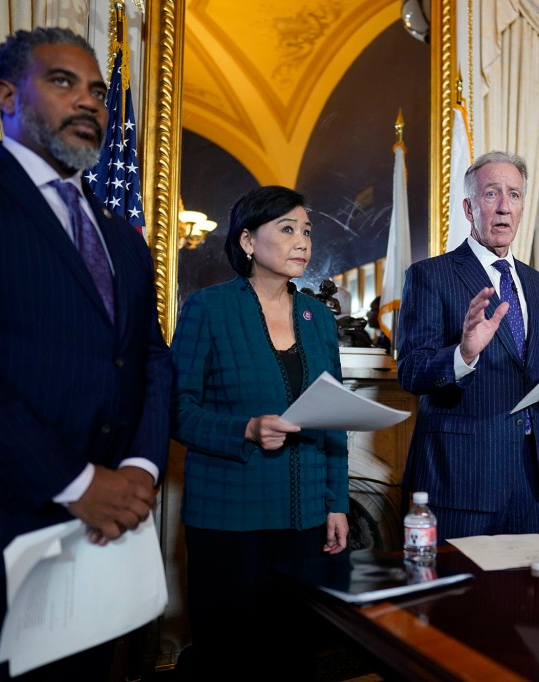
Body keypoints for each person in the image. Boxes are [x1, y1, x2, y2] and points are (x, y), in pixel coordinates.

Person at [0, 27, 172, 681]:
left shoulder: (123, 237)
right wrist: (80, 483)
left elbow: (149, 361)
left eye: (97, 90)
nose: (88, 101)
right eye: (62, 82)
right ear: (6, 95)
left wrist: (140, 469)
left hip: (101, 543)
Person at [169, 185, 349, 676]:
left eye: (307, 231)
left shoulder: (319, 319)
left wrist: (336, 502)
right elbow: (176, 409)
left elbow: (335, 417)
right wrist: (245, 429)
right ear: (248, 241)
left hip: (306, 518)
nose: (302, 242)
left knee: (293, 655)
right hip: (229, 520)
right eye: (287, 229)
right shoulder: (209, 309)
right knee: (229, 658)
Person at [397, 150, 539, 543]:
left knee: (529, 598)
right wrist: (463, 354)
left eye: (514, 195)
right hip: (462, 477)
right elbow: (411, 371)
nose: (503, 207)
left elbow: (535, 360)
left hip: (532, 479)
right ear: (468, 207)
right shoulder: (430, 275)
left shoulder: (535, 282)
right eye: (490, 194)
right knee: (460, 600)